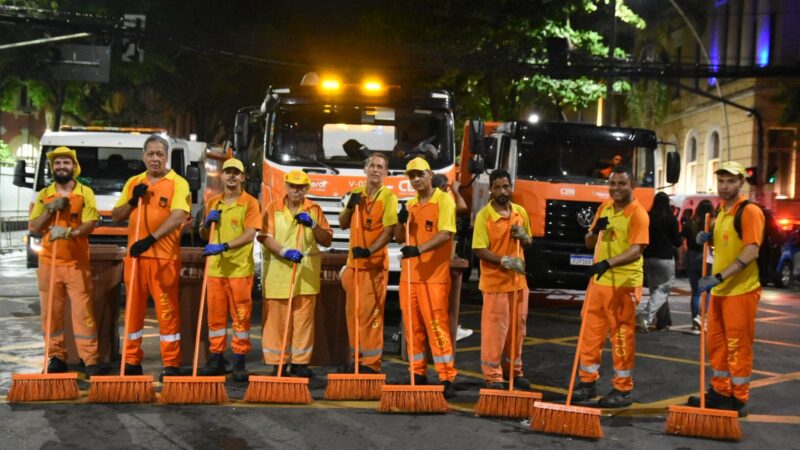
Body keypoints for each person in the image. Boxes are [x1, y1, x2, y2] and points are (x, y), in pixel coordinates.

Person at [111, 134, 191, 381]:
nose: (155, 158)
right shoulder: (134, 182)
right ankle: (132, 361)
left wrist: (150, 239)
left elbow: (178, 216)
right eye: (150, 154)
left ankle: (171, 364)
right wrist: (133, 200)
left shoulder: (178, 182)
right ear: (143, 156)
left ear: (166, 157)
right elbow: (116, 215)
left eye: (160, 154)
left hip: (163, 258)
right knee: (133, 312)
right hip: (135, 261)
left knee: (166, 313)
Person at [688, 161, 765, 417]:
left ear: (741, 182)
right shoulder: (721, 211)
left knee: (737, 346)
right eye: (721, 181)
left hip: (740, 291)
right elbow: (727, 244)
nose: (725, 186)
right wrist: (708, 240)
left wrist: (718, 276)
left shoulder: (749, 211)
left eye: (730, 181)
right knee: (717, 345)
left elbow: (751, 250)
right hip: (720, 292)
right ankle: (720, 392)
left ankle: (738, 398)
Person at [572, 165, 649, 408]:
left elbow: (637, 250)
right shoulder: (604, 208)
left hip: (624, 285)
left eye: (622, 184)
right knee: (590, 334)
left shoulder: (638, 214)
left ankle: (621, 389)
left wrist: (607, 263)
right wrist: (595, 230)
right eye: (612, 183)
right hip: (599, 282)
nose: (616, 188)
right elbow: (588, 242)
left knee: (621, 338)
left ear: (632, 186)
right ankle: (587, 383)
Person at [28, 146, 101, 377]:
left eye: (65, 163)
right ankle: (56, 357)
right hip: (49, 264)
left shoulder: (85, 193)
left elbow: (91, 223)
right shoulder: (44, 194)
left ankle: (90, 360)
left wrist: (69, 233)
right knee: (51, 314)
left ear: (74, 167)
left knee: (83, 314)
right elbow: (34, 227)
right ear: (53, 168)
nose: (61, 167)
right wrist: (49, 211)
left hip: (76, 264)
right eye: (57, 163)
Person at [394, 157, 458, 398]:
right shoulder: (410, 205)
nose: (416, 179)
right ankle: (417, 372)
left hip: (434, 278)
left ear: (430, 174)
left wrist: (419, 250)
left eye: (420, 174)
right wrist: (400, 223)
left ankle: (446, 376)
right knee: (412, 329)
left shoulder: (444, 200)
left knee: (436, 327)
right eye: (411, 176)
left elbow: (445, 233)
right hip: (410, 277)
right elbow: (400, 238)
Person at [259, 169, 333, 377]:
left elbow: (326, 239)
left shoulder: (314, 209)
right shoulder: (273, 208)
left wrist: (313, 224)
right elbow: (265, 237)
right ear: (286, 186)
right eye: (293, 186)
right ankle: (278, 363)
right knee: (276, 324)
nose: (296, 191)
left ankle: (300, 363)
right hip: (277, 276)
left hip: (305, 278)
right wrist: (284, 251)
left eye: (301, 188)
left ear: (307, 189)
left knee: (303, 323)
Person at [198, 158, 261, 381]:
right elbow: (203, 236)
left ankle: (239, 359)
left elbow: (250, 233)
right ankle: (216, 358)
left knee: (241, 317)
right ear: (221, 176)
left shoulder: (250, 203)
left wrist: (224, 246)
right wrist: (206, 224)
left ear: (243, 177)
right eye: (228, 172)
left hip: (239, 269)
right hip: (215, 269)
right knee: (215, 318)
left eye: (236, 173)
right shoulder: (213, 203)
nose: (232, 176)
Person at [471, 169, 534, 389]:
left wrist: (524, 237)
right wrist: (505, 261)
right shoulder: (484, 217)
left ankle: (514, 371)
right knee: (495, 332)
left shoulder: (520, 213)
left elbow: (529, 242)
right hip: (495, 284)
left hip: (518, 284)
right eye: (497, 187)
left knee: (518, 331)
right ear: (491, 190)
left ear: (511, 187)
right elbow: (479, 249)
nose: (502, 191)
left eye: (506, 186)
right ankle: (493, 375)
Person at [338, 152, 397, 373]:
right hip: (354, 266)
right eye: (372, 165)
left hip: (374, 267)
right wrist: (351, 207)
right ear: (365, 169)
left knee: (371, 317)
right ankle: (355, 359)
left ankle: (371, 364)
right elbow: (343, 223)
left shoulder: (388, 198)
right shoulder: (355, 194)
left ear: (385, 173)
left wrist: (369, 250)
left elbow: (390, 231)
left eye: (380, 167)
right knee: (353, 316)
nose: (375, 170)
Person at [432, 173, 471, 341]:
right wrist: (455, 190)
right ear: (442, 188)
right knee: (444, 298)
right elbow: (463, 207)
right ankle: (447, 330)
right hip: (442, 257)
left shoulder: (425, 202)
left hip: (431, 256)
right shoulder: (443, 202)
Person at [636, 192, 682, 332]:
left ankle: (663, 321)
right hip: (665, 257)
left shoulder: (648, 217)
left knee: (657, 291)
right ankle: (646, 315)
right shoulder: (671, 219)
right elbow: (677, 241)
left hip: (648, 257)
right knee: (664, 289)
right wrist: (680, 259)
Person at [681, 200, 714, 334]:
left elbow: (681, 240)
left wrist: (683, 256)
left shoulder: (690, 224)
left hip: (692, 257)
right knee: (707, 290)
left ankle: (695, 320)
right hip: (707, 258)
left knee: (695, 292)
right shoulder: (713, 224)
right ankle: (703, 319)